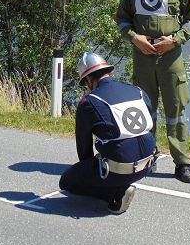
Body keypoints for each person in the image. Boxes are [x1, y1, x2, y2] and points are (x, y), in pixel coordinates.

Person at [115, 0, 190, 184]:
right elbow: (121, 19)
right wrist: (134, 37)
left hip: (171, 57)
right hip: (143, 57)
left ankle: (182, 163)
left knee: (176, 111)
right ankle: (147, 155)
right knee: (144, 110)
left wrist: (175, 40)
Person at [59, 52, 157, 214]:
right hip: (148, 164)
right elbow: (150, 127)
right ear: (108, 71)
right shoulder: (137, 91)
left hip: (120, 169)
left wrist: (88, 172)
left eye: (86, 83)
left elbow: (84, 148)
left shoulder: (89, 102)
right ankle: (119, 183)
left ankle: (115, 195)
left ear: (89, 80)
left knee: (67, 182)